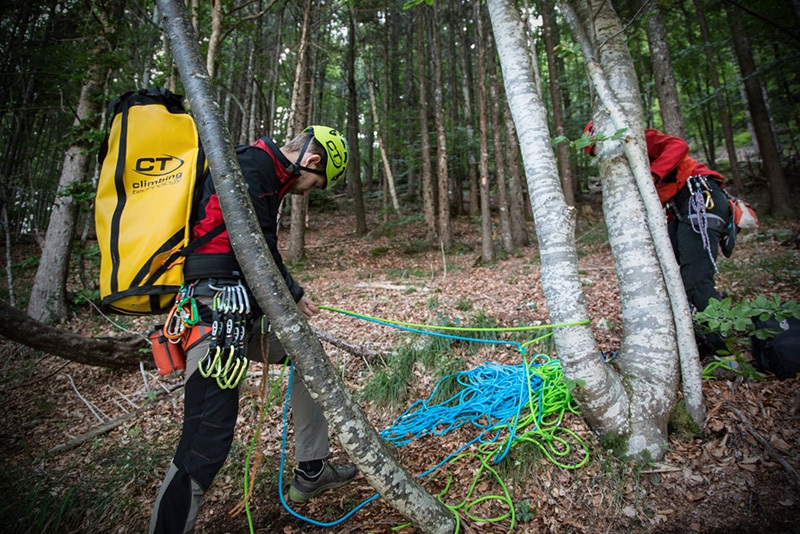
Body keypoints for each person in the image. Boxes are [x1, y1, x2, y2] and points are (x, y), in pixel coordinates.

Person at [149, 126, 356, 534]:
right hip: (215, 316)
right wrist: (293, 293)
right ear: (312, 161)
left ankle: (311, 469)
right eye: (314, 184)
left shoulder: (267, 173)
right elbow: (255, 244)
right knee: (204, 443)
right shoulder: (251, 165)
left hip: (238, 313)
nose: (307, 192)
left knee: (308, 356)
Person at [583, 121, 731, 313]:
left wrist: (653, 175)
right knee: (671, 275)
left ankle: (720, 336)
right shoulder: (623, 166)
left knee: (695, 282)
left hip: (699, 197)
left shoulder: (636, 142)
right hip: (678, 209)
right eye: (596, 152)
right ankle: (703, 331)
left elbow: (679, 146)